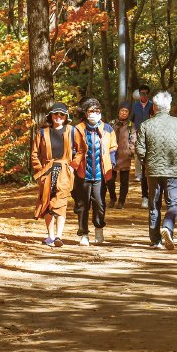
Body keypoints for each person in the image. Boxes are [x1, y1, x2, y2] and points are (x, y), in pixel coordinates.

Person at [135, 91, 177, 251]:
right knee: (174, 203)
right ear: (169, 107)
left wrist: (146, 162)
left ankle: (155, 240)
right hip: (173, 170)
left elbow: (140, 148)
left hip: (152, 171)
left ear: (154, 106)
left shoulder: (146, 124)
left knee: (154, 205)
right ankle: (167, 226)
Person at [31, 103, 84, 247]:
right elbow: (34, 154)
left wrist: (73, 166)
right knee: (47, 203)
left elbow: (81, 150)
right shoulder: (42, 133)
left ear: (66, 116)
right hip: (47, 171)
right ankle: (51, 236)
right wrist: (40, 171)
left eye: (61, 114)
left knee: (61, 202)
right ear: (51, 116)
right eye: (56, 114)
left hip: (64, 171)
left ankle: (59, 236)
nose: (58, 117)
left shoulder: (72, 131)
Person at [73, 99, 118, 246]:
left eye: (98, 110)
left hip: (100, 174)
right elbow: (72, 148)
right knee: (82, 204)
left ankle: (99, 228)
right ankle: (83, 233)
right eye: (92, 111)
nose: (95, 113)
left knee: (99, 203)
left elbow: (113, 148)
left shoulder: (108, 129)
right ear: (85, 113)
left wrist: (112, 162)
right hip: (82, 173)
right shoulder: (78, 129)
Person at [129, 87, 154, 206]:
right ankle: (138, 175)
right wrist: (132, 135)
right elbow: (132, 120)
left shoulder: (152, 105)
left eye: (145, 93)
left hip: (150, 135)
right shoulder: (134, 106)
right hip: (138, 133)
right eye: (141, 93)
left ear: (148, 95)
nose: (143, 95)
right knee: (138, 155)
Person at [105, 105, 132, 208]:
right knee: (110, 180)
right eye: (122, 111)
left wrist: (131, 150)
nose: (124, 113)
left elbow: (133, 138)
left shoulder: (130, 125)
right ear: (118, 112)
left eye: (126, 111)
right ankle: (112, 198)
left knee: (124, 181)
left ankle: (121, 201)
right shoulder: (111, 124)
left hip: (125, 156)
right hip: (111, 155)